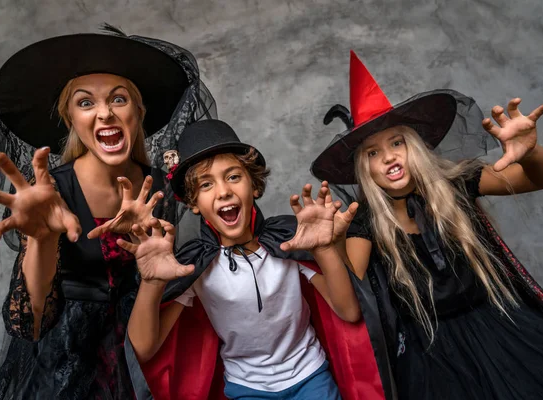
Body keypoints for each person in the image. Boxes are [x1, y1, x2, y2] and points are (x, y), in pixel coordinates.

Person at [0, 27, 215, 399]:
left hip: (131, 354)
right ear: (70, 118)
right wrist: (41, 239)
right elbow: (29, 326)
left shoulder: (159, 188)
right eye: (85, 103)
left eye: (118, 99)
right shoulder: (51, 193)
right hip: (58, 366)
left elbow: (155, 282)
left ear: (138, 111)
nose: (104, 113)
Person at [311, 51, 543, 399]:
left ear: (414, 146)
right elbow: (348, 308)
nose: (388, 156)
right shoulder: (365, 224)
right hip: (432, 356)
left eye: (396, 143)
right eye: (372, 153)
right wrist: (326, 246)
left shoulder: (455, 183)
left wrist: (531, 153)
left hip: (500, 329)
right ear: (363, 169)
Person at [120, 119, 387, 400]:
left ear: (255, 186)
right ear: (194, 202)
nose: (223, 191)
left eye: (234, 177)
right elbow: (144, 349)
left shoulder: (288, 240)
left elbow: (349, 312)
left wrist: (323, 249)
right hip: (246, 389)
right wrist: (151, 283)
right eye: (206, 184)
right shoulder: (194, 265)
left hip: (311, 377)